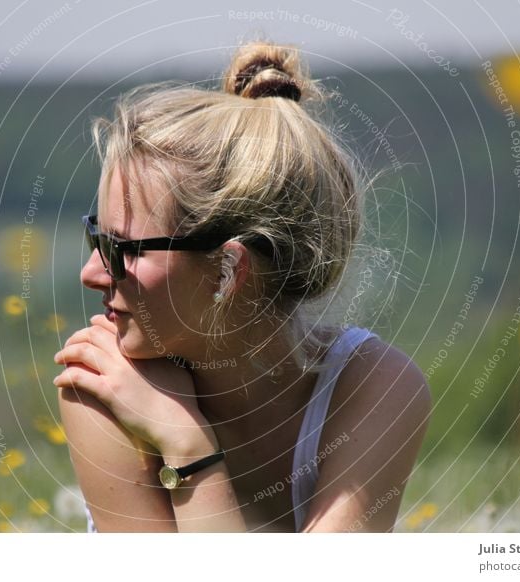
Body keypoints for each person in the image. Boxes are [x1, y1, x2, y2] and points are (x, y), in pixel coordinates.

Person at [53, 41, 431, 532]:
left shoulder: (376, 387)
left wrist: (189, 451)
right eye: (96, 237)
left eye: (125, 249)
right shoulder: (102, 388)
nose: (91, 272)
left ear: (228, 271)